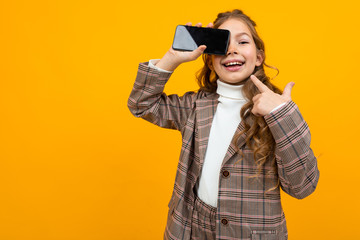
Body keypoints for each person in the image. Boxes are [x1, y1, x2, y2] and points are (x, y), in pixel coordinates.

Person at [127, 9, 319, 240]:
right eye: (223, 43)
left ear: (258, 57)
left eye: (243, 41)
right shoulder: (195, 106)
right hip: (191, 227)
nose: (232, 49)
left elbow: (302, 187)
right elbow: (141, 104)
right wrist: (172, 58)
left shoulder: (276, 110)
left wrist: (281, 114)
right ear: (210, 59)